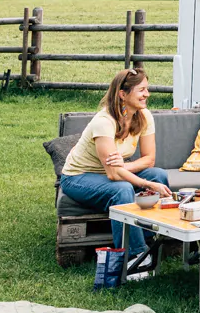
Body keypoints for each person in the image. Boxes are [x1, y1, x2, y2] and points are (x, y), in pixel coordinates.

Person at [60, 68, 169, 279]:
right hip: (79, 177)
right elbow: (113, 175)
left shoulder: (144, 116)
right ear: (122, 94)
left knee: (159, 175)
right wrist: (147, 184)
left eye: (148, 89)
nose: (147, 94)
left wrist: (125, 167)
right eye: (142, 90)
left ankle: (148, 244)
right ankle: (133, 258)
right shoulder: (104, 121)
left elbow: (149, 159)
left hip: (112, 172)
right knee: (122, 189)